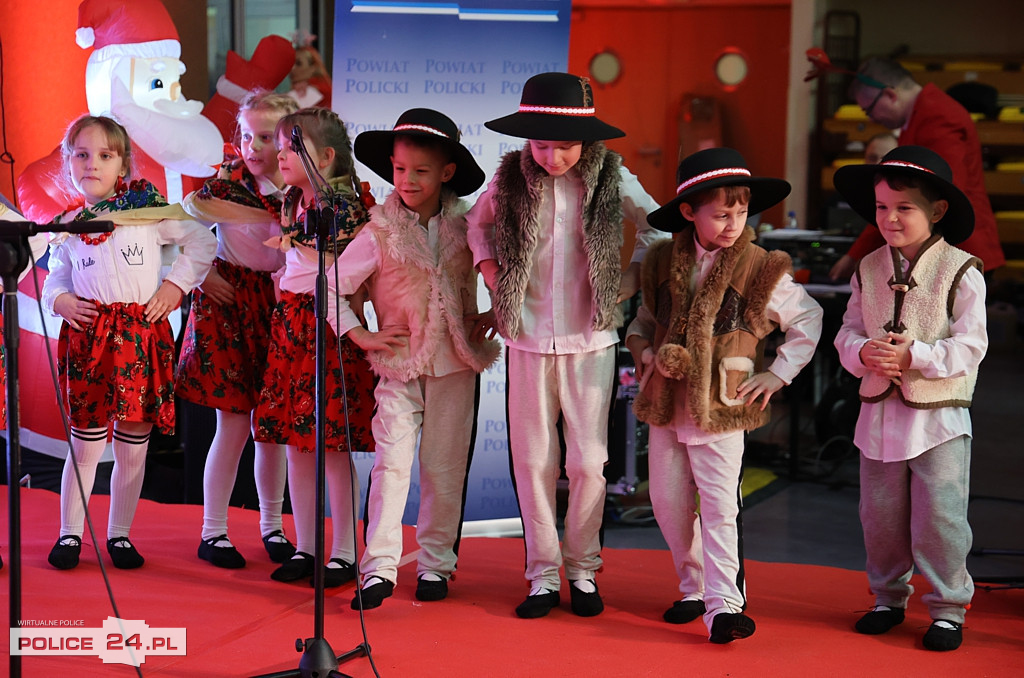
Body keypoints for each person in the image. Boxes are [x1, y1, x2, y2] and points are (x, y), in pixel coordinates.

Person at [466, 72, 664, 619]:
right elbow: (476, 228)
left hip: (590, 337)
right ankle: (542, 575)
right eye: (542, 145)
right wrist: (490, 272)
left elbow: (660, 229)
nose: (553, 157)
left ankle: (583, 567)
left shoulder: (610, 178)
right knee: (532, 460)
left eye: (565, 146)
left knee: (589, 462)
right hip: (527, 336)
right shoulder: (509, 179)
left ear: (588, 142)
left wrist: (628, 281)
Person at [625, 147, 823, 643]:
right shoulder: (663, 260)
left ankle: (725, 604)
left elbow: (807, 319)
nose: (733, 223)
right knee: (670, 507)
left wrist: (777, 375)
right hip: (667, 403)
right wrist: (643, 350)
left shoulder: (760, 267)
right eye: (721, 214)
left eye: (740, 212)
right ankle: (693, 588)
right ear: (689, 212)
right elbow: (643, 322)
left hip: (724, 406)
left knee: (718, 507)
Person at [329, 108, 501, 609]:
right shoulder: (379, 231)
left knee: (444, 469)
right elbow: (330, 287)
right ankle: (379, 567)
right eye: (400, 169)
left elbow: (496, 268)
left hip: (455, 364)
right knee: (392, 465)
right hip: (399, 366)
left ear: (446, 173)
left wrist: (493, 312)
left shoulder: (468, 227)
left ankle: (435, 564)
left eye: (421, 171)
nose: (408, 180)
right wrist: (360, 334)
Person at [41, 115, 217, 570]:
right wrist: (60, 299)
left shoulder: (146, 210)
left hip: (139, 339)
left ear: (122, 164)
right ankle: (70, 534)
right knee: (85, 446)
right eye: (81, 155)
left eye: (104, 155)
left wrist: (174, 287)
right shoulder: (71, 224)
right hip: (91, 341)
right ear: (69, 162)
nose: (92, 164)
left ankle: (119, 535)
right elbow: (55, 274)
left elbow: (201, 242)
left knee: (132, 444)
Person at [833, 145, 987, 652]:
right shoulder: (869, 266)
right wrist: (863, 353)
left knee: (939, 514)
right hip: (878, 415)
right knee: (879, 513)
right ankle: (887, 597)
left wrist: (917, 355)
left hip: (938, 418)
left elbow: (972, 345)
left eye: (904, 208)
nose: (889, 218)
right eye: (881, 207)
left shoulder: (962, 270)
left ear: (937, 211)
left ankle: (947, 608)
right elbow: (847, 332)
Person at [178, 90, 300, 569]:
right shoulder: (223, 189)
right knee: (232, 425)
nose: (252, 146)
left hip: (280, 308)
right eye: (246, 135)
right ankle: (214, 531)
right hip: (230, 305)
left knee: (272, 428)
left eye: (265, 137)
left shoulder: (297, 193)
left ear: (290, 142)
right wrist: (205, 274)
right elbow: (181, 230)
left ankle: (272, 526)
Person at [254, 108, 375, 587]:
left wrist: (291, 245)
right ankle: (306, 546)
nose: (280, 154)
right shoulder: (291, 201)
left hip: (327, 326)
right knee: (297, 442)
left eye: (291, 146)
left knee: (332, 444)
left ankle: (343, 552)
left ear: (325, 157)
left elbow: (341, 261)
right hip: (291, 327)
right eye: (280, 145)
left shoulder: (344, 204)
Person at [829, 57, 1004, 280]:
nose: (873, 119)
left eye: (870, 110)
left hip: (958, 250)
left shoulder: (937, 116)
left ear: (891, 95)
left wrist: (858, 254)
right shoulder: (922, 114)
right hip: (940, 248)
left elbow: (942, 190)